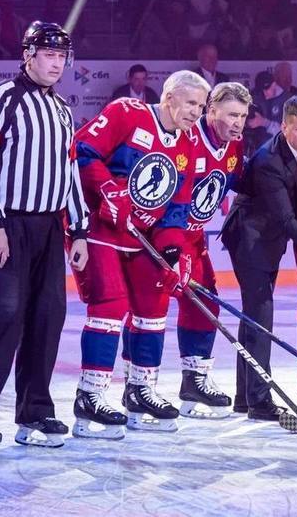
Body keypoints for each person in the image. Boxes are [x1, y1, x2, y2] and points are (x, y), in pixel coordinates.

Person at [0, 20, 89, 456]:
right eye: (47, 54)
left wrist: (79, 229)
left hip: (50, 227)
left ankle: (35, 412)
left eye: (61, 56)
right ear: (28, 55)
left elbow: (69, 173)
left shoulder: (63, 111)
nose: (55, 64)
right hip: (8, 225)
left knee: (47, 319)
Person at [71, 70, 210, 438]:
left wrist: (172, 250)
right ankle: (90, 395)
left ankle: (140, 389)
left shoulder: (188, 141)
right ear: (169, 98)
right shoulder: (126, 113)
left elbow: (179, 205)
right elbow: (81, 151)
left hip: (141, 235)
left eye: (201, 105)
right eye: (192, 103)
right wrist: (107, 190)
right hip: (100, 228)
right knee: (111, 306)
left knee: (154, 304)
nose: (197, 112)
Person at [221, 96, 297, 420]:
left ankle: (243, 396)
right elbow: (285, 220)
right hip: (250, 241)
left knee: (253, 317)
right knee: (260, 319)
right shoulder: (269, 161)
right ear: (286, 126)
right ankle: (260, 402)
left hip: (267, 243)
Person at [149, 82, 251, 419]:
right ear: (211, 111)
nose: (238, 122)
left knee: (205, 303)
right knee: (150, 309)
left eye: (243, 116)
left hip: (194, 240)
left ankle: (195, 380)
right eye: (231, 114)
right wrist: (170, 245)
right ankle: (140, 385)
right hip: (163, 234)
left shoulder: (234, 147)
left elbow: (239, 180)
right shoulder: (187, 139)